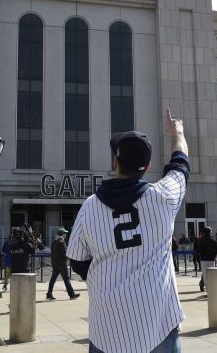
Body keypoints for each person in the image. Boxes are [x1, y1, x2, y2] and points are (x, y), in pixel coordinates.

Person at [67, 108, 189, 353]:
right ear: (148, 166)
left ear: (116, 162)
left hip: (107, 328)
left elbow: (77, 261)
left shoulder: (90, 207)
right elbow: (180, 163)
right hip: (158, 324)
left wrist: (106, 276)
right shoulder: (163, 197)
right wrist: (177, 132)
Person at [46, 227, 80, 300]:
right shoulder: (61, 242)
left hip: (55, 264)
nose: (66, 235)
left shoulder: (54, 242)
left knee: (53, 279)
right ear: (63, 234)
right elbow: (65, 253)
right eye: (65, 234)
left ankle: (49, 294)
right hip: (62, 264)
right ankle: (72, 295)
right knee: (66, 280)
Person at [197, 227, 217, 293]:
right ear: (209, 232)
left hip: (203, 260)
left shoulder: (201, 240)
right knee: (211, 275)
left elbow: (199, 250)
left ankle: (208, 290)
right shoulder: (213, 241)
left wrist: (201, 255)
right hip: (211, 259)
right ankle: (211, 289)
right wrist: (214, 255)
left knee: (205, 275)